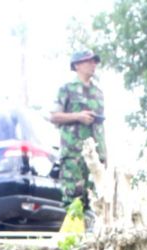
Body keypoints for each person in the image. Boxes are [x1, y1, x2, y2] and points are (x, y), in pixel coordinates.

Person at [50, 49, 107, 209]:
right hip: (74, 154)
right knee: (74, 201)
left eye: (94, 61)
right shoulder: (66, 89)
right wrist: (78, 116)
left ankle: (91, 233)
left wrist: (105, 156)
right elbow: (54, 116)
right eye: (89, 61)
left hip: (96, 157)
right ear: (77, 65)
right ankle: (74, 233)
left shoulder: (98, 93)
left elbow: (101, 126)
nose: (93, 64)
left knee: (98, 201)